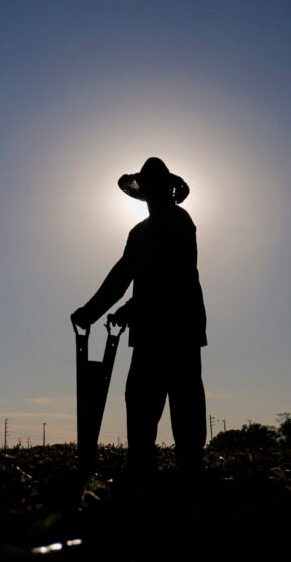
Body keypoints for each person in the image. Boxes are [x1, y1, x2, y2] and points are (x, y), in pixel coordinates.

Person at [71, 157, 207, 478]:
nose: (152, 193)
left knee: (184, 397)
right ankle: (141, 468)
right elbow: (122, 275)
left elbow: (174, 275)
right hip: (148, 330)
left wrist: (131, 309)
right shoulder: (138, 233)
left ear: (167, 190)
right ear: (143, 192)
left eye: (157, 186)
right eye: (147, 187)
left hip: (180, 326)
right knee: (140, 398)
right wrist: (90, 312)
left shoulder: (179, 222)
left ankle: (190, 469)